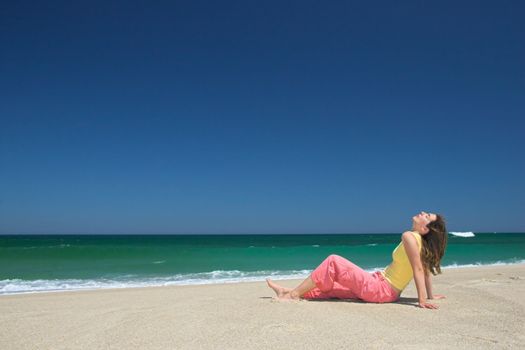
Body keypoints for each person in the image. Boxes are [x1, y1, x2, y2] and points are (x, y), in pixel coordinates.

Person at [266, 211, 448, 309]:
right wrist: (429, 295)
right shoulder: (421, 244)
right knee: (334, 290)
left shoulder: (409, 237)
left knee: (333, 261)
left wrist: (422, 300)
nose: (423, 212)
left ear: (425, 229)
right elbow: (424, 271)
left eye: (427, 216)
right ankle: (287, 291)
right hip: (381, 286)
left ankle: (292, 295)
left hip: (381, 289)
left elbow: (418, 269)